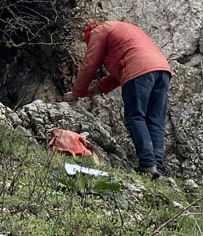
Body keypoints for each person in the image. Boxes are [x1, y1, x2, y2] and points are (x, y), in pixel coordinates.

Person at [63, 21, 171, 178]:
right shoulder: (123, 30)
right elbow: (119, 74)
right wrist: (94, 90)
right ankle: (157, 168)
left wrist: (76, 93)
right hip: (162, 70)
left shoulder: (99, 31)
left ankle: (148, 164)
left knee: (135, 117)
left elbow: (90, 63)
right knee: (155, 121)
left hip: (139, 69)